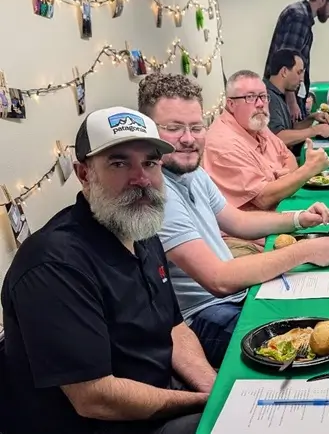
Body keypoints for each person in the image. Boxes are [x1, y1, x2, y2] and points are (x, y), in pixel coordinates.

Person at [1, 107, 215, 434]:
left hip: (159, 403)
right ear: (84, 174)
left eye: (150, 162)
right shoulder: (53, 264)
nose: (141, 178)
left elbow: (175, 328)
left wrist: (212, 387)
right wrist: (202, 403)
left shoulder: (140, 231)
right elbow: (96, 398)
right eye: (119, 163)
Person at [137, 73, 329, 368]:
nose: (188, 138)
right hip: (205, 317)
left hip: (235, 297)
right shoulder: (155, 192)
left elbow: (238, 222)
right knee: (314, 345)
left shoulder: (191, 171)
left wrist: (299, 219)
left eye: (196, 127)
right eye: (173, 128)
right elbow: (218, 280)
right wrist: (305, 251)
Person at [204, 69, 329, 253]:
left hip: (275, 220)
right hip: (244, 242)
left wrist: (282, 179)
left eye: (263, 96)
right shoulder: (224, 143)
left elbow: (289, 157)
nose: (260, 104)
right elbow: (264, 198)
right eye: (250, 98)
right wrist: (307, 170)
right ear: (230, 104)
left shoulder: (255, 124)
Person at [264, 0, 329, 121]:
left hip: (285, 94)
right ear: (322, 0)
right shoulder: (299, 17)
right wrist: (291, 101)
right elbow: (287, 62)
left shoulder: (300, 15)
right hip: (283, 97)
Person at [264, 49, 329, 155]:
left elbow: (290, 130)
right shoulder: (268, 98)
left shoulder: (278, 94)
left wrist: (312, 118)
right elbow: (278, 137)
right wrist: (315, 130)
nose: (301, 79)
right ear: (284, 72)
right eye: (299, 72)